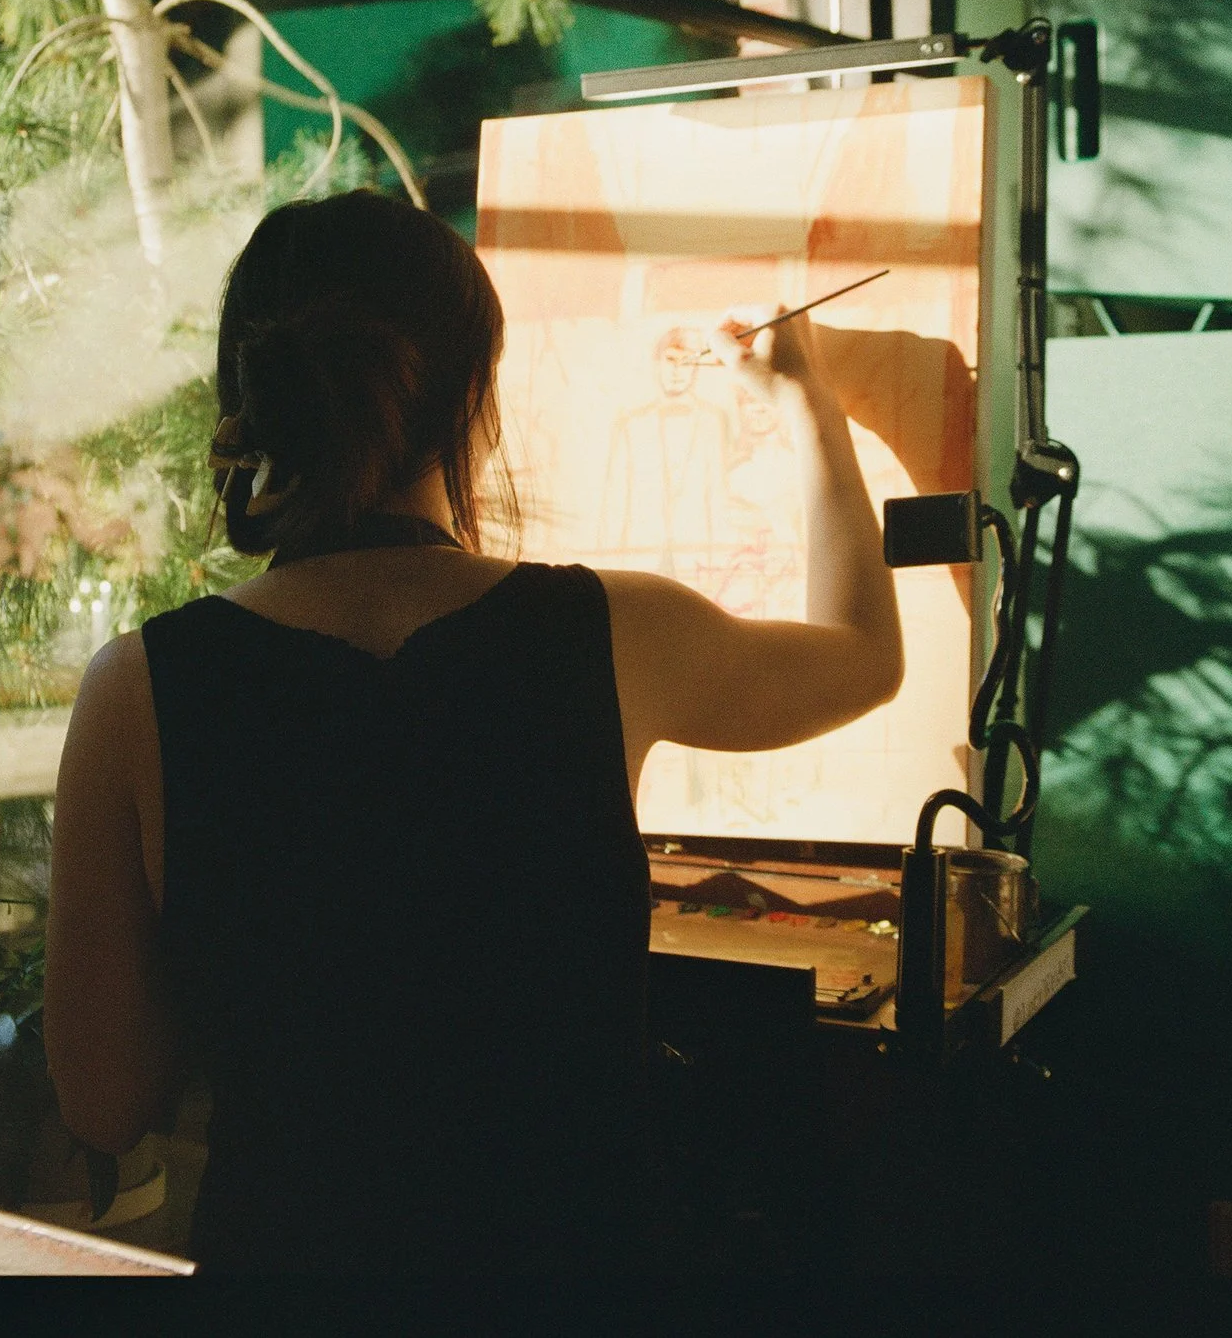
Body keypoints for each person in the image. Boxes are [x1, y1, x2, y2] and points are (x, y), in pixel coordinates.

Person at [44, 191, 903, 1273]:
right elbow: (862, 654)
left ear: (255, 402)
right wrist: (806, 397)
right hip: (565, 1283)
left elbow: (105, 1100)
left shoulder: (134, 688)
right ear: (475, 406)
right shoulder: (612, 631)